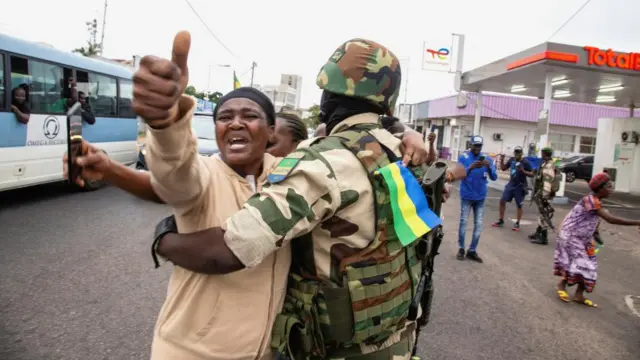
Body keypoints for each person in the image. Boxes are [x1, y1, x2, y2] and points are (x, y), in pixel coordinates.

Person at [142, 35, 461, 360]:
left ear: (326, 98)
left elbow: (227, 252)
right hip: (399, 338)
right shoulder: (407, 153)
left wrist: (163, 238)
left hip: (338, 349)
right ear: (388, 102)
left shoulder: (323, 163)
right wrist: (403, 128)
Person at [554, 173, 640, 307]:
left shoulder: (597, 201)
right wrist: (637, 222)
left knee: (591, 264)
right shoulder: (590, 200)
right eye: (609, 186)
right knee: (581, 264)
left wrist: (596, 233)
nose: (612, 189)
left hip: (584, 238)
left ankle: (578, 295)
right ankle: (561, 284)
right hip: (571, 236)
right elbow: (610, 219)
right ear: (600, 188)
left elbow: (594, 218)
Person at [456, 135, 497, 262]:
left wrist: (489, 167)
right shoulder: (464, 157)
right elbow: (458, 175)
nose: (477, 148)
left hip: (480, 197)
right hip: (467, 196)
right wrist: (471, 168)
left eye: (479, 146)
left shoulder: (488, 159)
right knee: (463, 222)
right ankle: (461, 248)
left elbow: (494, 177)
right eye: (475, 146)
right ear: (471, 145)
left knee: (478, 225)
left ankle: (472, 250)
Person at [492, 146, 534, 231]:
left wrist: (523, 171)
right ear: (514, 153)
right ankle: (501, 220)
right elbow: (503, 168)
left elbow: (532, 174)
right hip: (511, 184)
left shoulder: (525, 162)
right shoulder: (512, 160)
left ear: (521, 153)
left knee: (519, 205)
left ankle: (517, 223)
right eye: (516, 152)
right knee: (502, 201)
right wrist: (502, 159)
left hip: (520, 186)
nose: (517, 154)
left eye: (519, 152)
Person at [529, 147, 559, 245]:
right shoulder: (545, 163)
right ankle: (538, 233)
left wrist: (544, 196)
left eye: (542, 153)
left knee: (544, 215)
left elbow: (547, 181)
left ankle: (543, 238)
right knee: (541, 214)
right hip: (542, 192)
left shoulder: (549, 166)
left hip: (545, 194)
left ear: (545, 154)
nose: (541, 155)